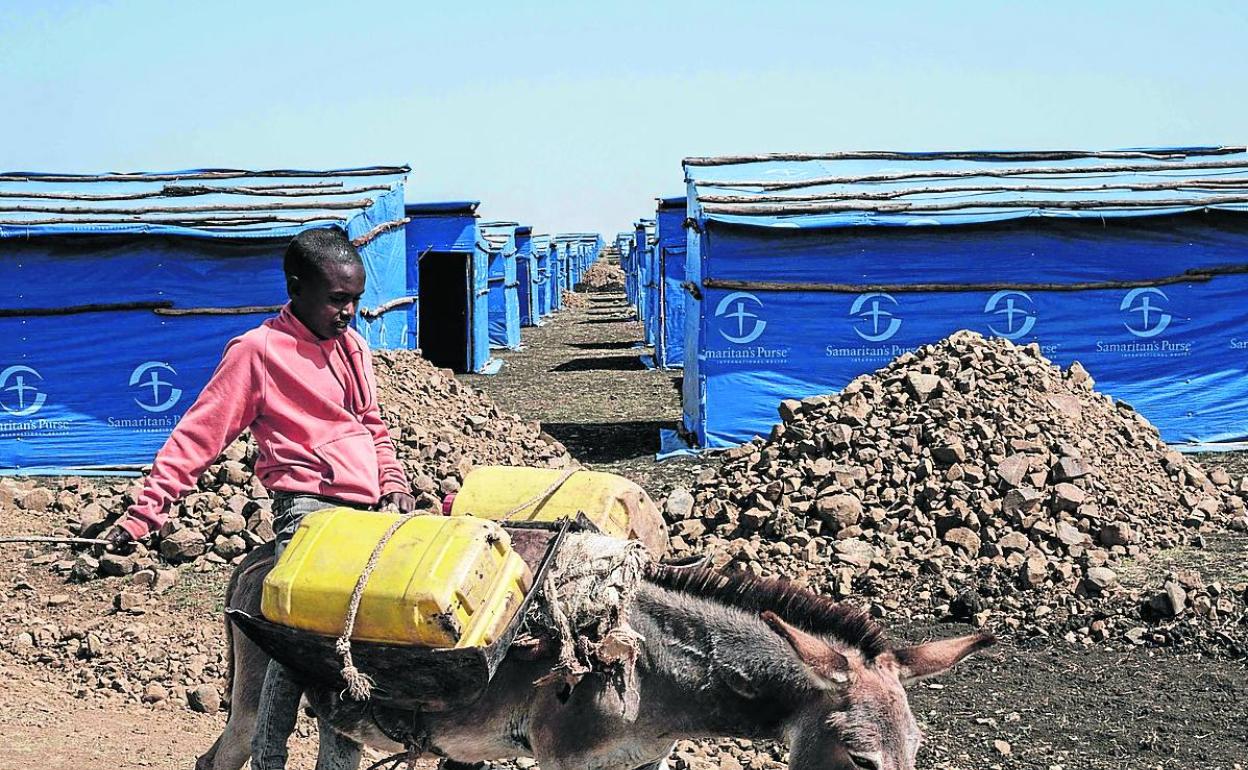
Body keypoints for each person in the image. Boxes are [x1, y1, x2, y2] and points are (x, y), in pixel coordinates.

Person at [105, 227, 416, 770]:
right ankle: (271, 756)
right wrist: (147, 510)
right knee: (313, 642)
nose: (349, 312)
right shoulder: (257, 352)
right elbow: (199, 435)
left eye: (356, 300)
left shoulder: (354, 348)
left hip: (366, 516)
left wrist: (391, 481)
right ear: (297, 287)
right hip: (309, 512)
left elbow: (372, 425)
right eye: (337, 300)